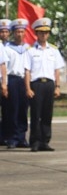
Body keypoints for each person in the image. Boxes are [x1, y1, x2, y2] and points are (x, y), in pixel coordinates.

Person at [24, 18, 65, 152]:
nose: (44, 35)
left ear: (48, 34)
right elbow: (27, 71)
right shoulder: (30, 51)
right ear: (36, 33)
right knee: (36, 114)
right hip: (36, 84)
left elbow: (57, 70)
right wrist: (28, 88)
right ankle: (35, 141)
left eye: (46, 32)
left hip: (49, 84)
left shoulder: (53, 50)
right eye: (41, 32)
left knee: (47, 114)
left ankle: (45, 141)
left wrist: (58, 86)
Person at [4, 19, 29, 149]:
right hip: (12, 79)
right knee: (12, 109)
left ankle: (21, 137)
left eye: (22, 31)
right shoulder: (7, 48)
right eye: (17, 31)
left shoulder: (28, 48)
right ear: (13, 33)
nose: (20, 34)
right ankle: (12, 138)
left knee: (23, 109)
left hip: (24, 80)